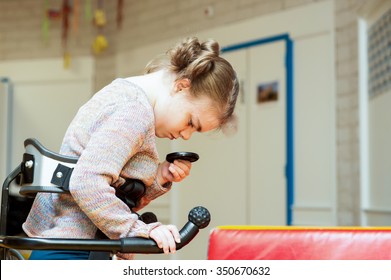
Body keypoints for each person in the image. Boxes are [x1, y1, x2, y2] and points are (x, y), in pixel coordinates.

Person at [22, 37, 239, 260]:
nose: (186, 135)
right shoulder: (134, 111)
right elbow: (86, 182)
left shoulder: (124, 94)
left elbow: (113, 188)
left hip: (71, 245)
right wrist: (140, 230)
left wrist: (159, 177)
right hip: (73, 252)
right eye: (191, 122)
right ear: (181, 86)